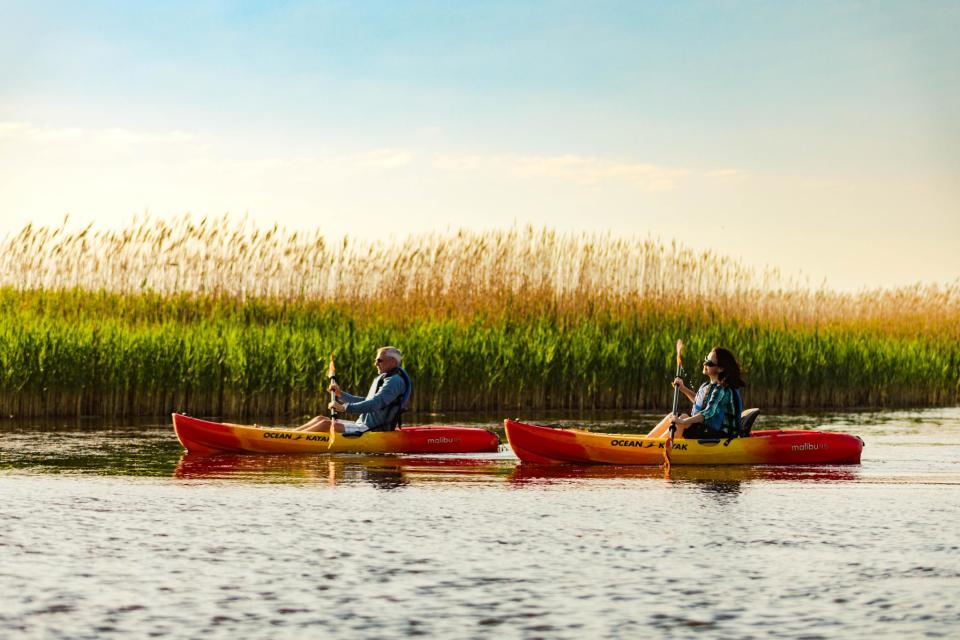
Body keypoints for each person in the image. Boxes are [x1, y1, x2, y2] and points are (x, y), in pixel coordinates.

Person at [296, 346, 412, 435]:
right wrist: (341, 394)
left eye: (379, 360)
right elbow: (367, 401)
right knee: (320, 418)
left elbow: (375, 404)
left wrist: (345, 408)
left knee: (325, 424)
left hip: (371, 429)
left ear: (393, 362)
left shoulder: (394, 381)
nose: (375, 363)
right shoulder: (386, 378)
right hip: (362, 425)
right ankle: (288, 435)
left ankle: (290, 439)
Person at [647, 347, 746, 439]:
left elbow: (707, 413)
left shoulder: (722, 389)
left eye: (709, 363)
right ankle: (648, 442)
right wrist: (683, 389)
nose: (704, 364)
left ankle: (655, 448)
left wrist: (682, 421)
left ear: (720, 369)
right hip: (709, 430)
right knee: (672, 415)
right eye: (705, 359)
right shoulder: (707, 385)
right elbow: (701, 403)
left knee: (683, 419)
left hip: (723, 435)